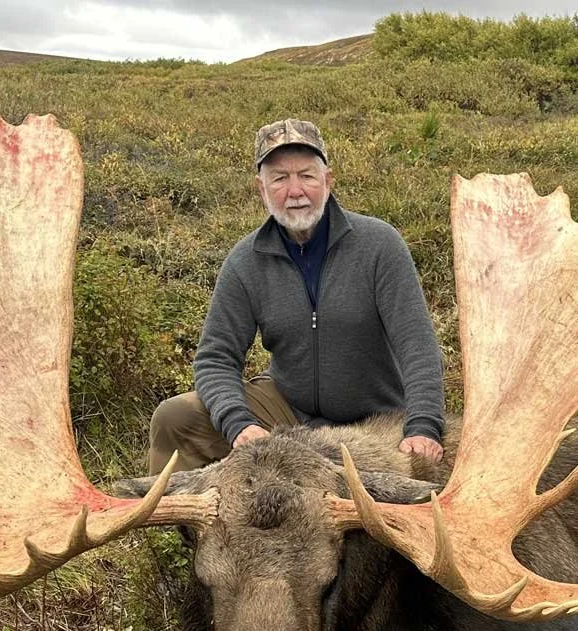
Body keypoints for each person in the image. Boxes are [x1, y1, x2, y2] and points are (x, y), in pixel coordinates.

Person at [147, 118, 446, 473]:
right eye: (279, 178)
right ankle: (195, 522)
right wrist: (240, 424)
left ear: (327, 181)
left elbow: (417, 346)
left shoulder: (380, 245)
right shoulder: (245, 262)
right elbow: (215, 359)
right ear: (261, 188)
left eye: (306, 175)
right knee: (176, 418)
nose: (295, 191)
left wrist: (424, 425)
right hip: (288, 411)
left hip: (375, 419)